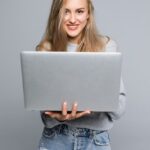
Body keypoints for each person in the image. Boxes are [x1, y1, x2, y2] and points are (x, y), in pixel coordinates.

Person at [36, 0, 126, 149]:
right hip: (55, 139)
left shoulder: (106, 47)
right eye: (66, 11)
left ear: (88, 14)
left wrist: (96, 102)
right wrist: (58, 117)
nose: (72, 19)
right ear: (57, 14)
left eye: (79, 11)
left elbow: (120, 107)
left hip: (95, 141)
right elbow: (45, 114)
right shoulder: (46, 49)